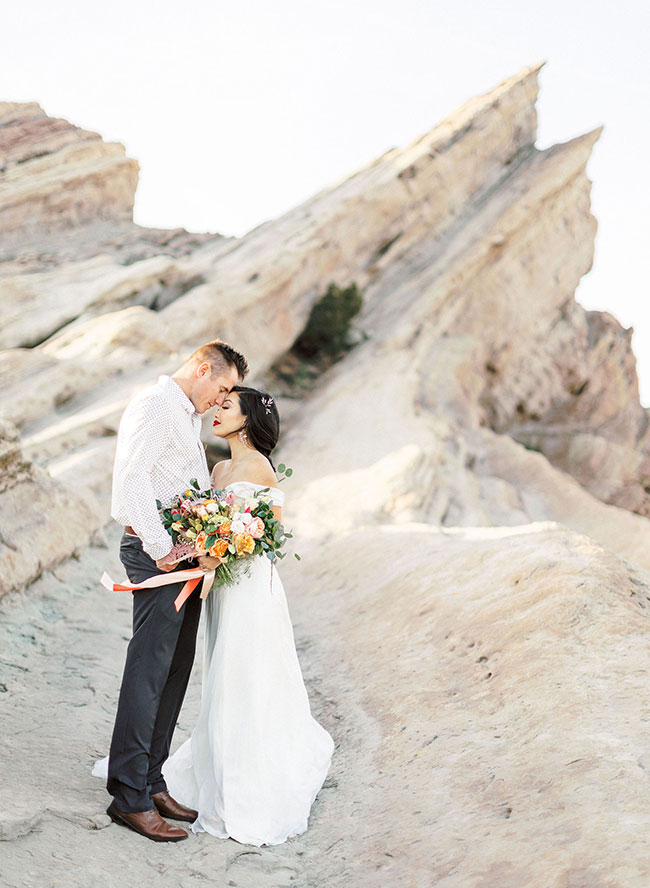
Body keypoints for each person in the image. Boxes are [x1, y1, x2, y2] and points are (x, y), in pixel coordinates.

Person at [93, 385, 335, 847]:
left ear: (246, 420)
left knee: (247, 675)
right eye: (219, 403)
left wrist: (228, 545)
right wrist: (207, 545)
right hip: (218, 587)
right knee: (220, 676)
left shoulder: (260, 467)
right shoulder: (219, 467)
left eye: (227, 406)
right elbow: (206, 517)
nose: (217, 412)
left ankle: (245, 781)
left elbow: (270, 532)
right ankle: (159, 778)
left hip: (248, 589)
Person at [97, 340, 249, 842]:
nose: (221, 400)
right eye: (222, 387)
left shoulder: (184, 416)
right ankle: (128, 796)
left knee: (175, 670)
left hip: (183, 556)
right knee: (149, 671)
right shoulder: (154, 405)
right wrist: (164, 547)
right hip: (153, 552)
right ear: (202, 368)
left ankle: (151, 778)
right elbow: (131, 481)